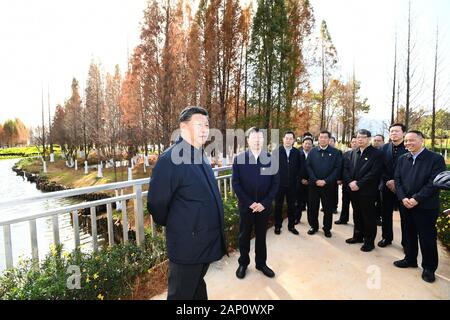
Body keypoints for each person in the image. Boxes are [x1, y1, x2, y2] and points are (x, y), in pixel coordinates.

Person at [147, 106, 226, 300]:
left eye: (207, 125)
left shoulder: (201, 155)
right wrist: (180, 225)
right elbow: (156, 204)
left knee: (197, 287)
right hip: (187, 246)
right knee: (181, 294)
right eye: (199, 124)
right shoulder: (170, 159)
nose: (205, 129)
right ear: (183, 127)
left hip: (203, 244)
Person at [393, 130, 446, 283]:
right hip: (405, 205)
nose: (408, 143)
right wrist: (403, 198)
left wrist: (416, 199)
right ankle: (410, 259)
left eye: (412, 140)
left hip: (426, 207)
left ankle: (429, 268)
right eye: (407, 141)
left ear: (422, 140)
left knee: (427, 238)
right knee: (408, 234)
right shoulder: (403, 158)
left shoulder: (435, 159)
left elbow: (434, 183)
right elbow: (397, 179)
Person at [232, 127, 280, 279]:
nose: (258, 141)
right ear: (248, 140)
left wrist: (264, 203)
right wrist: (249, 203)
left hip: (263, 207)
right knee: (244, 235)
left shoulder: (271, 159)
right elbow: (236, 184)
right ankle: (243, 263)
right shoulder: (239, 159)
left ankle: (261, 263)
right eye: (254, 138)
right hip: (246, 207)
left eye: (260, 138)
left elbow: (275, 184)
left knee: (261, 236)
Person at [343, 129, 383, 252]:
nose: (360, 139)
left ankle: (369, 241)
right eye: (358, 137)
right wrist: (350, 182)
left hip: (367, 191)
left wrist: (359, 184)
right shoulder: (352, 153)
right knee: (357, 214)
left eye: (363, 137)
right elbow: (346, 169)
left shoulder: (376, 154)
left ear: (369, 139)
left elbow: (374, 173)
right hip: (353, 190)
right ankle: (357, 236)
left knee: (368, 217)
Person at [306, 130, 342, 238]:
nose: (322, 139)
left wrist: (326, 181)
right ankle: (314, 226)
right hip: (314, 185)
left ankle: (327, 229)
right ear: (318, 139)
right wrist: (315, 180)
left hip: (328, 186)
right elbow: (308, 166)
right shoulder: (312, 152)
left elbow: (337, 169)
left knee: (328, 209)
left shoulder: (335, 152)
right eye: (321, 137)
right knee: (312, 208)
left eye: (325, 137)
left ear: (329, 139)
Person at [378, 123, 408, 248]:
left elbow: (409, 170)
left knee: (405, 216)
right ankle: (386, 237)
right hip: (386, 186)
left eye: (396, 131)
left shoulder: (408, 148)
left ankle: (406, 242)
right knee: (386, 214)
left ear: (404, 133)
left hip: (404, 188)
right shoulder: (384, 148)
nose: (393, 133)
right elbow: (379, 167)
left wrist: (397, 182)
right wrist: (388, 181)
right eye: (391, 131)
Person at [274, 131, 301, 235]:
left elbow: (300, 168)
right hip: (279, 185)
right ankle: (277, 226)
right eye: (287, 138)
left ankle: (291, 226)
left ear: (294, 140)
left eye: (291, 138)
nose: (288, 140)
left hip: (292, 185)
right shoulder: (276, 152)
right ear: (283, 139)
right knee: (278, 206)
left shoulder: (297, 152)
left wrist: (297, 181)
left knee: (292, 206)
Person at [335, 136, 357, 225]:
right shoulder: (346, 154)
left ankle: (357, 222)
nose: (354, 143)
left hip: (357, 184)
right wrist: (340, 179)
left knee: (356, 205)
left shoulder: (362, 155)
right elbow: (341, 168)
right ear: (350, 143)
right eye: (353, 142)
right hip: (346, 182)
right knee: (345, 202)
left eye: (356, 142)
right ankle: (343, 219)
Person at [295, 136, 313, 224]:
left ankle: (311, 222)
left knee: (310, 204)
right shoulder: (297, 154)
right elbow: (295, 169)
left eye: (309, 144)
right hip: (299, 183)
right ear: (302, 144)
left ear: (312, 145)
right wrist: (301, 179)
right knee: (298, 202)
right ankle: (296, 218)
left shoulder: (314, 155)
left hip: (311, 183)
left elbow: (316, 169)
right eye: (306, 143)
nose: (307, 145)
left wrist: (310, 180)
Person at [373, 134, 385, 226]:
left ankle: (377, 217)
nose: (376, 142)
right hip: (371, 181)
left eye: (379, 140)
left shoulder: (385, 152)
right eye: (375, 140)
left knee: (380, 202)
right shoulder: (370, 152)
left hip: (382, 181)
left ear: (383, 142)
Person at [329, 136, 341, 215]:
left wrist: (339, 178)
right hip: (326, 176)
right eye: (329, 140)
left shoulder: (337, 152)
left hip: (334, 176)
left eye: (332, 141)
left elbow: (339, 165)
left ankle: (334, 207)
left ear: (334, 142)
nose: (330, 142)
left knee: (334, 192)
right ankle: (326, 206)